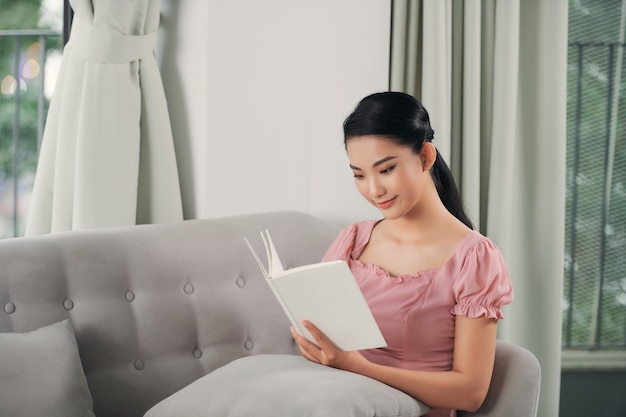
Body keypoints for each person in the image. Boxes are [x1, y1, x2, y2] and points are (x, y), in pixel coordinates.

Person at [290, 92, 514, 417]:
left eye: (386, 170)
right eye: (359, 175)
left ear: (425, 156)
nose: (373, 190)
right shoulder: (353, 241)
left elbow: (470, 392)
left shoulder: (474, 258)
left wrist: (358, 366)